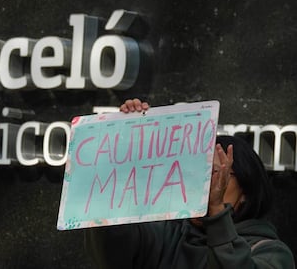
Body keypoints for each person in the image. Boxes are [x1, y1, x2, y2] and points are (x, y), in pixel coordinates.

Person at [84, 98, 295, 268]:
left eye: (212, 174)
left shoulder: (270, 252)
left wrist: (216, 212)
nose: (201, 185)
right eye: (192, 174)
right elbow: (112, 250)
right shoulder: (167, 236)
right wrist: (127, 145)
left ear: (246, 188)